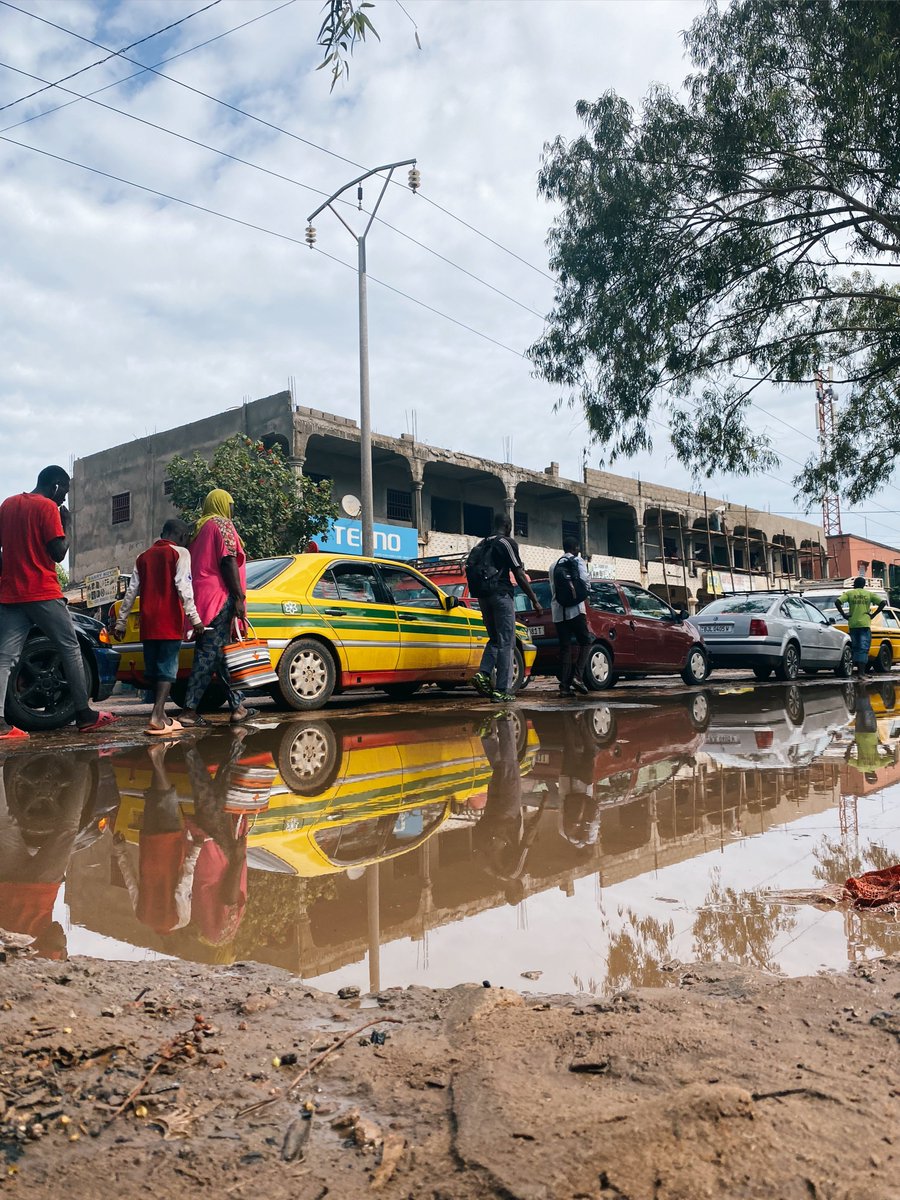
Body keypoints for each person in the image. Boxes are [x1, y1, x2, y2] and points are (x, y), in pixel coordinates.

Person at [0, 466, 117, 740]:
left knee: (4, 658)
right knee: (70, 647)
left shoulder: (7, 505)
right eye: (63, 491)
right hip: (42, 591)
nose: (64, 498)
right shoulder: (47, 507)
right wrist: (66, 524)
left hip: (11, 594)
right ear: (55, 485)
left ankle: (1, 724)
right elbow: (58, 553)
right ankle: (84, 714)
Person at [114, 518, 204, 735]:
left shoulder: (142, 557)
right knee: (167, 670)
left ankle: (161, 714)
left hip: (148, 622)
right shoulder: (181, 553)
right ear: (181, 536)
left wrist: (121, 621)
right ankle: (156, 714)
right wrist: (195, 619)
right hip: (169, 620)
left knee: (154, 670)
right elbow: (184, 587)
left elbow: (130, 592)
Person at [178, 490, 255, 727]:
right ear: (222, 505)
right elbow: (228, 560)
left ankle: (238, 706)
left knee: (221, 654)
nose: (232, 510)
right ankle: (189, 711)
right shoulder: (221, 524)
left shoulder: (198, 529)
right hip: (219, 598)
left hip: (202, 598)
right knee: (207, 654)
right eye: (231, 505)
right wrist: (239, 598)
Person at [470, 514, 540, 703]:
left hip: (483, 598)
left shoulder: (481, 544)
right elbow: (518, 573)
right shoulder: (506, 543)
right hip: (501, 596)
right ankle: (502, 689)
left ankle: (483, 673)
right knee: (507, 642)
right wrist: (534, 599)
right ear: (507, 525)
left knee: (494, 639)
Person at [551, 535, 591, 696]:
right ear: (575, 549)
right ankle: (578, 677)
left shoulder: (553, 566)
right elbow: (585, 582)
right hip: (576, 610)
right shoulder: (577, 561)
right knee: (586, 641)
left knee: (565, 647)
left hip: (558, 612)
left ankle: (564, 687)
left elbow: (553, 590)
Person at [836, 576, 886, 675]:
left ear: (854, 584)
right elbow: (883, 602)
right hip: (865, 624)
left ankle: (855, 671)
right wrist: (873, 615)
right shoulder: (869, 594)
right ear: (864, 585)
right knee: (863, 648)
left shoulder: (849, 593)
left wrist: (844, 614)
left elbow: (837, 602)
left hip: (853, 624)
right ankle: (861, 673)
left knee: (855, 648)